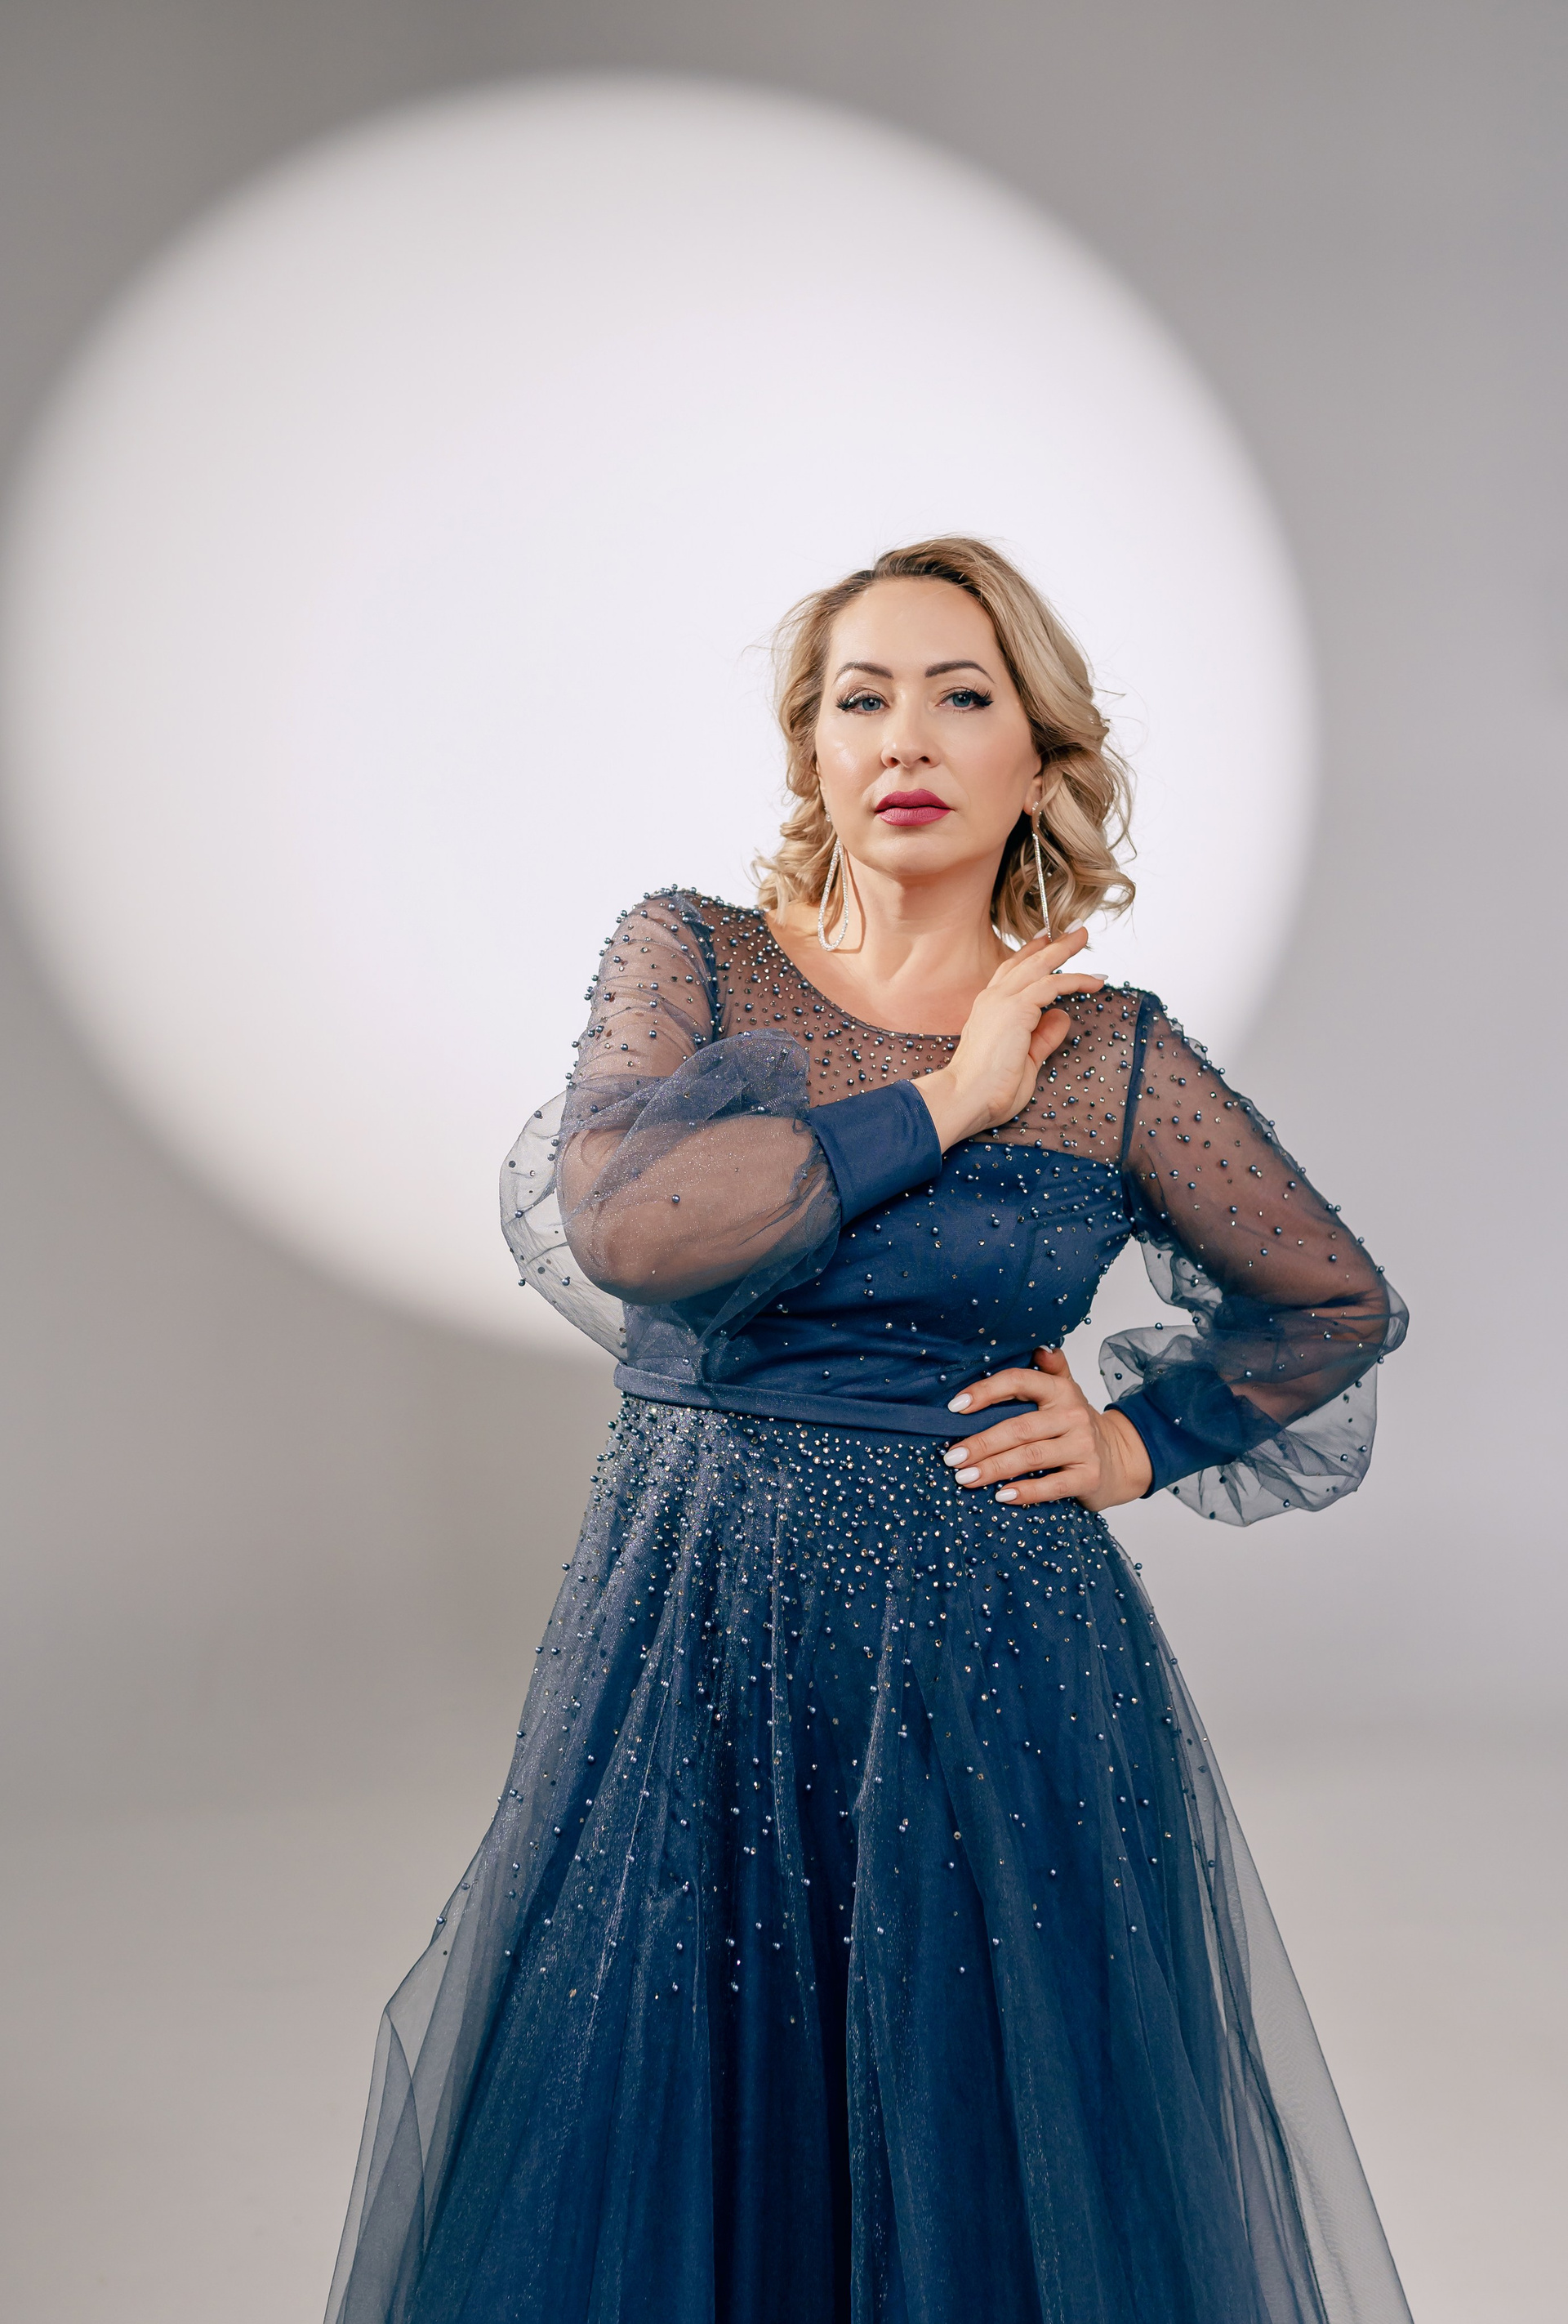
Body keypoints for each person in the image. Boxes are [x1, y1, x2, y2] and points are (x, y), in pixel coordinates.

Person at [327, 538, 1410, 2324]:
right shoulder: (695, 956)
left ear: (1039, 764)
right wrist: (948, 1099)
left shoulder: (1110, 1053)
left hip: (994, 1673)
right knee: (672, 2128)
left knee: (983, 2158)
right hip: (691, 1646)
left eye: (961, 695)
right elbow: (631, 1227)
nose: (904, 734)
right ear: (815, 755)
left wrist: (1135, 1441)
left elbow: (1333, 1299)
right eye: (861, 698)